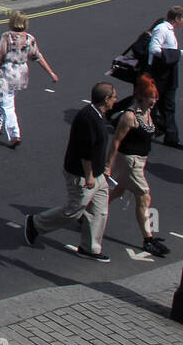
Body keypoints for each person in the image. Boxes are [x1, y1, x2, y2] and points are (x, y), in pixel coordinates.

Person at [24, 82, 119, 262]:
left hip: (98, 174)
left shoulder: (98, 115)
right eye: (114, 97)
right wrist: (89, 175)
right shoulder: (88, 118)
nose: (116, 100)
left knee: (99, 211)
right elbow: (85, 152)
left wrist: (103, 169)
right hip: (82, 174)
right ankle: (35, 223)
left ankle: (89, 247)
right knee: (74, 210)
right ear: (106, 98)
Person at [106, 75, 170, 257]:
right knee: (144, 196)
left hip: (140, 161)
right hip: (129, 160)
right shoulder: (129, 116)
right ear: (140, 97)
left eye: (156, 99)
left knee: (117, 191)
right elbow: (116, 142)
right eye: (152, 99)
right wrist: (108, 166)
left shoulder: (147, 112)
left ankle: (87, 212)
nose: (154, 102)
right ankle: (148, 239)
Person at [0, 10, 58, 146]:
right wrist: (51, 72)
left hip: (6, 72)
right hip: (21, 73)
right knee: (1, 98)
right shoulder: (30, 38)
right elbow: (37, 56)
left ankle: (14, 134)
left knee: (7, 104)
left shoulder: (6, 36)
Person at [147, 6, 183, 149]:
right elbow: (154, 49)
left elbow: (169, 50)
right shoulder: (162, 29)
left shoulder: (169, 30)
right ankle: (138, 128)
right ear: (176, 18)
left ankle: (171, 138)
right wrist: (176, 54)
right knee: (152, 103)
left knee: (168, 105)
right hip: (160, 73)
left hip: (169, 72)